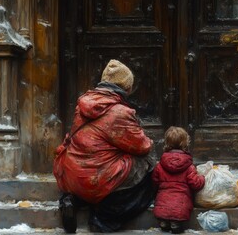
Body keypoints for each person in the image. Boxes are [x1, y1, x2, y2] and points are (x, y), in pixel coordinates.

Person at [53, 59, 156, 233]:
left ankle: (72, 200)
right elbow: (143, 146)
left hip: (71, 174)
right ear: (126, 87)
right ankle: (104, 217)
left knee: (97, 171)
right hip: (97, 179)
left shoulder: (83, 104)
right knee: (147, 163)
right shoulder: (120, 112)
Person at [152, 126, 205, 234]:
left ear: (166, 143)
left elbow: (155, 181)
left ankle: (164, 222)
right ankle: (175, 224)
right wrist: (202, 178)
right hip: (181, 206)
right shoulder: (189, 166)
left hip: (162, 203)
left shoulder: (160, 165)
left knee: (165, 206)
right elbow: (195, 184)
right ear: (185, 143)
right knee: (177, 216)